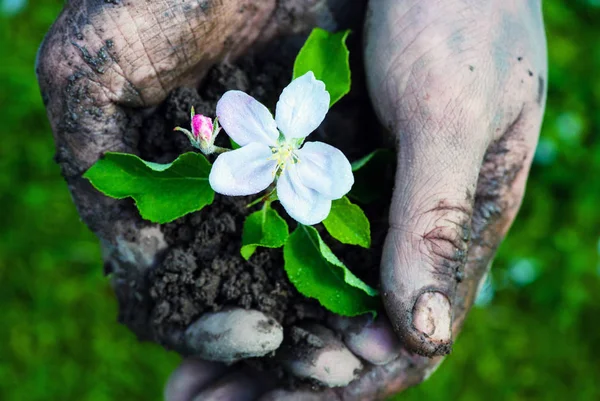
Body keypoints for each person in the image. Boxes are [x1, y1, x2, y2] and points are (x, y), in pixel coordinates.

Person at [36, 0, 547, 399]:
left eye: (288, 146)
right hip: (246, 157)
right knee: (207, 182)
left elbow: (312, 202)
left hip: (296, 172)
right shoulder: (251, 149)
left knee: (318, 218)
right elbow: (227, 166)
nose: (283, 150)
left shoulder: (305, 159)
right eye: (282, 147)